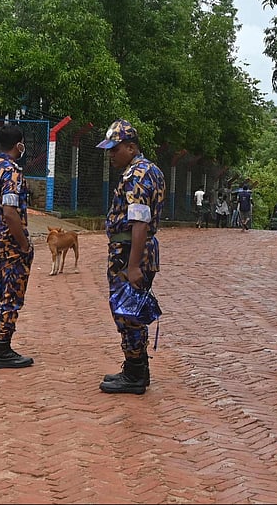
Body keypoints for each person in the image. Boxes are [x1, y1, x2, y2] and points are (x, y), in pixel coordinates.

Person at [97, 119, 166, 394]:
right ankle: (135, 368)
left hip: (129, 252)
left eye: (115, 149)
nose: (111, 154)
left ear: (131, 147)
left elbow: (139, 222)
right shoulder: (147, 170)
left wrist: (133, 265)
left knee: (128, 313)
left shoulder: (137, 175)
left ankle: (136, 375)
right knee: (130, 310)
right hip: (131, 251)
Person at [0, 124, 35, 369]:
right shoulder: (12, 172)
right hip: (11, 239)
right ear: (18, 145)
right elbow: (10, 212)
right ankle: (3, 348)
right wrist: (24, 245)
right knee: (12, 293)